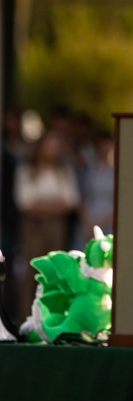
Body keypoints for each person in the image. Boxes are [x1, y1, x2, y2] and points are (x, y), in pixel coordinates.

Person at [13, 129, 81, 322]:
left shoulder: (64, 171)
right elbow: (24, 203)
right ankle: (26, 317)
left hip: (57, 227)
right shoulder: (27, 170)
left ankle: (53, 317)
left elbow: (70, 201)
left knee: (56, 271)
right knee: (32, 271)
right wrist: (53, 206)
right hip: (33, 228)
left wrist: (41, 205)